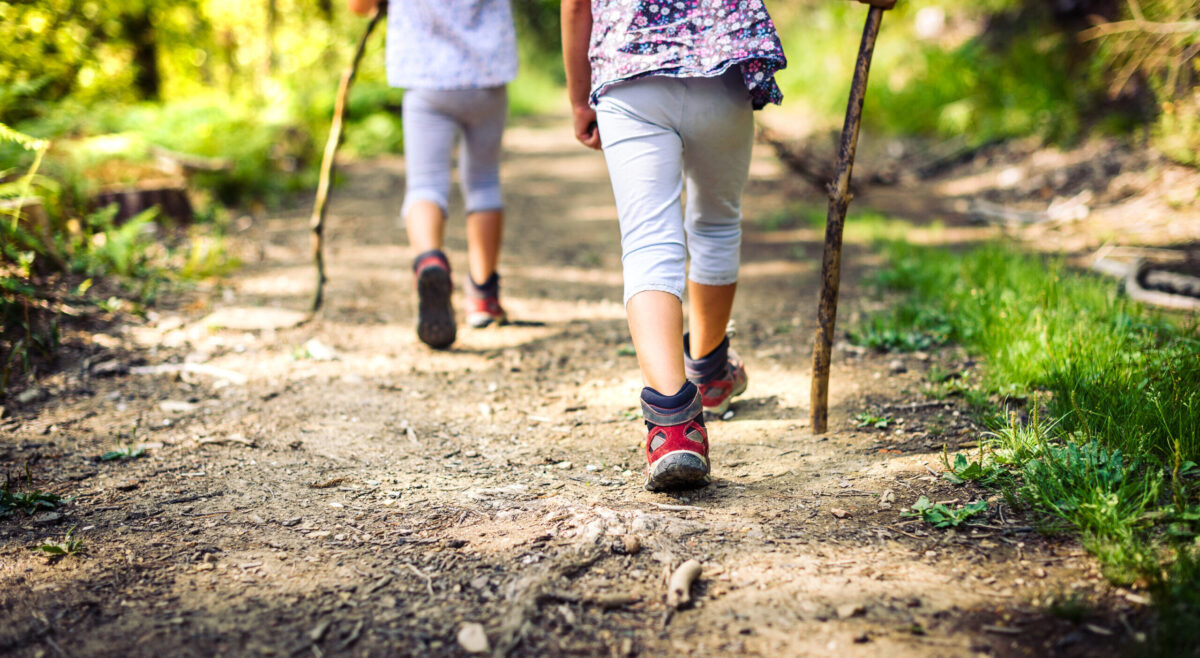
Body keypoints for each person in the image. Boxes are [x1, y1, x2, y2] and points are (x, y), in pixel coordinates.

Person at [562, 0, 787, 491]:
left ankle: (673, 427)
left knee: (647, 241)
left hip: (629, 73)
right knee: (716, 223)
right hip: (721, 64)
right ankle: (708, 372)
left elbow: (577, 5)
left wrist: (580, 99)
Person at [347, 0, 517, 349]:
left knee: (425, 184)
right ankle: (483, 296)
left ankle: (429, 259)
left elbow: (359, 5)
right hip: (487, 75)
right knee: (484, 182)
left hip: (426, 77)